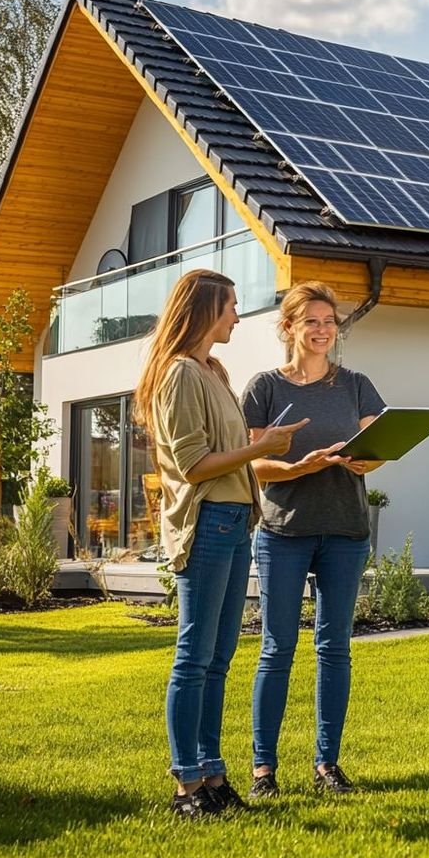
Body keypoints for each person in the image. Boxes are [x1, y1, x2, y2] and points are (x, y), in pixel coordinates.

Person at [133, 269, 307, 819]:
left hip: (234, 521)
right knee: (194, 656)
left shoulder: (213, 370)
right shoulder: (181, 374)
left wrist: (264, 448)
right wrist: (264, 448)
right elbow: (192, 464)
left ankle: (211, 775)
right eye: (231, 305)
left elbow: (224, 454)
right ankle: (186, 784)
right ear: (206, 308)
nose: (237, 314)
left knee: (217, 660)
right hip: (207, 522)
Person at [241, 280, 387, 798]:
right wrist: (296, 467)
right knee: (277, 649)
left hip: (346, 530)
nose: (324, 330)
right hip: (283, 532)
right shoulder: (265, 388)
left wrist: (365, 457)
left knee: (334, 648)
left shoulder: (356, 385)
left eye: (330, 322)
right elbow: (252, 465)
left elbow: (377, 448)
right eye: (312, 322)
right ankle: (264, 770)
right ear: (289, 328)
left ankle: (327, 765)